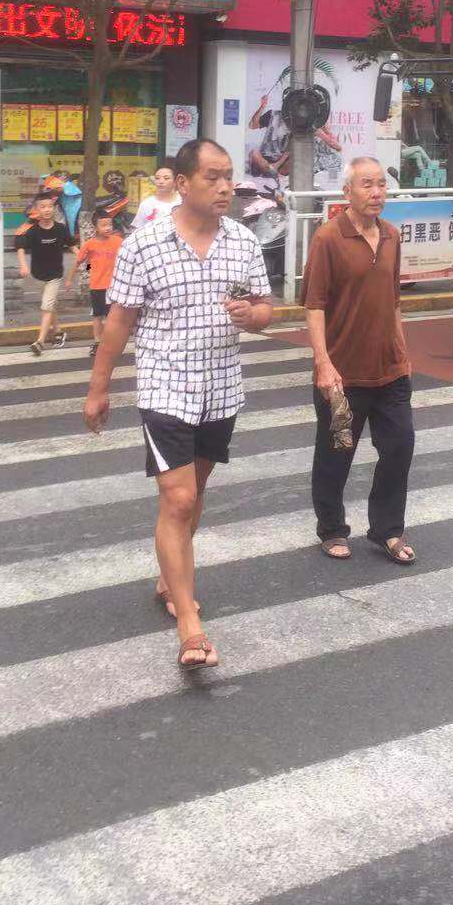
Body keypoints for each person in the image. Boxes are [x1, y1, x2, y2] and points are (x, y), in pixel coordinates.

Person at [83, 138, 273, 669]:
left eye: (228, 176)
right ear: (183, 184)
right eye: (213, 177)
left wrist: (254, 317)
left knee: (195, 492)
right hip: (166, 388)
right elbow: (119, 321)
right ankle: (190, 625)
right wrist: (98, 388)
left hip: (221, 388)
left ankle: (170, 579)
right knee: (180, 499)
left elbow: (266, 308)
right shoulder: (144, 245)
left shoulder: (243, 241)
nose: (224, 186)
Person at [302, 156, 416, 566]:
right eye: (367, 184)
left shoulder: (391, 236)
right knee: (336, 454)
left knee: (400, 447)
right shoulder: (328, 238)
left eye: (381, 184)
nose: (376, 192)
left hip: (390, 371)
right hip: (343, 375)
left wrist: (403, 352)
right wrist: (323, 363)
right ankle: (331, 528)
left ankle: (387, 528)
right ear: (347, 191)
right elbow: (314, 306)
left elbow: (394, 301)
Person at [16, 192, 76, 355]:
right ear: (36, 210)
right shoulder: (32, 231)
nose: (47, 210)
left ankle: (40, 342)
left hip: (55, 275)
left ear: (54, 208)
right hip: (38, 275)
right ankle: (58, 331)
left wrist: (88, 264)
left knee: (46, 306)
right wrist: (23, 266)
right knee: (50, 305)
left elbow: (74, 247)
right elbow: (20, 248)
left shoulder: (61, 229)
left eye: (50, 206)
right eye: (43, 207)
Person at [68, 206, 123, 352]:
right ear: (95, 227)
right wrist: (69, 280)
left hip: (114, 286)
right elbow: (81, 262)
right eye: (103, 225)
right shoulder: (89, 245)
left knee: (113, 316)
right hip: (97, 286)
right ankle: (97, 342)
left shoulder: (118, 242)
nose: (108, 228)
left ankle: (112, 341)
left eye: (109, 224)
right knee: (97, 315)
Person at [131, 159, 182, 230]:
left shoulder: (184, 202)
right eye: (157, 178)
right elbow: (138, 229)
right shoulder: (146, 204)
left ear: (176, 181)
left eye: (166, 178)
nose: (161, 181)